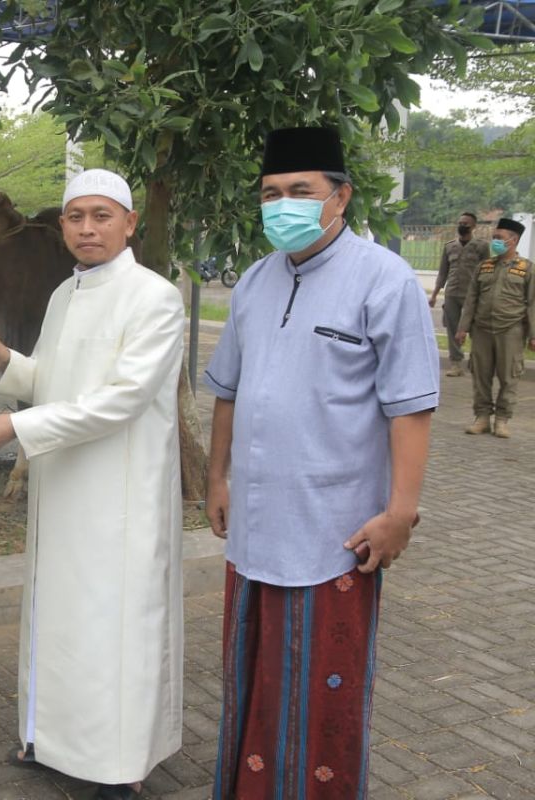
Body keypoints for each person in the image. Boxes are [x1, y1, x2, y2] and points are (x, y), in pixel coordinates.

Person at [203, 127, 438, 799]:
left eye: (300, 192)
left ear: (340, 197)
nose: (283, 205)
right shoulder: (254, 281)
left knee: (320, 696)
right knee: (250, 680)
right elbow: (226, 391)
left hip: (336, 530)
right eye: (271, 194)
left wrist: (401, 513)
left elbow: (411, 408)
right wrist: (217, 479)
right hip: (253, 521)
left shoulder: (384, 280)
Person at [0, 168, 185, 800]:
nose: (87, 228)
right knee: (57, 620)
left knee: (116, 628)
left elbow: (121, 401)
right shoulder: (65, 294)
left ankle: (119, 766)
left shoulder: (154, 297)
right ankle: (52, 741)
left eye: (101, 216)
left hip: (119, 493)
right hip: (62, 485)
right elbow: (59, 382)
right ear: (61, 225)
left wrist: (20, 427)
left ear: (129, 223)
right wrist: (9, 362)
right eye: (75, 217)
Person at [455, 217, 535, 439]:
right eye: (494, 238)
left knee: (509, 377)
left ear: (513, 240)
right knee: (481, 376)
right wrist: (462, 328)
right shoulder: (484, 266)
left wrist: (533, 335)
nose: (495, 242)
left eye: (499, 238)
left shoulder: (527, 269)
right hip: (481, 330)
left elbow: (533, 304)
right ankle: (482, 418)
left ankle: (502, 420)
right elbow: (471, 299)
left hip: (511, 330)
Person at [429, 212, 488, 376]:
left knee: (475, 329)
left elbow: (486, 272)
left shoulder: (482, 247)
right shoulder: (449, 246)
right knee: (452, 329)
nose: (462, 226)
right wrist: (434, 295)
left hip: (472, 294)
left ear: (474, 226)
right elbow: (443, 272)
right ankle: (455, 363)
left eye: (466, 223)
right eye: (460, 222)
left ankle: (476, 361)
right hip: (452, 293)